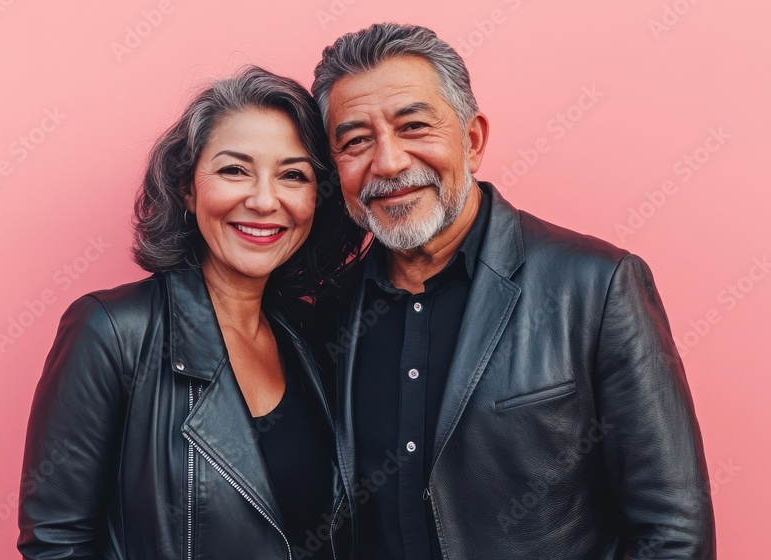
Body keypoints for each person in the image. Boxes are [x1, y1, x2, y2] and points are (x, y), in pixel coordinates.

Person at [307, 23, 716, 559]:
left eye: (414, 126)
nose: (388, 162)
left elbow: (674, 531)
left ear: (473, 140)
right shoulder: (332, 312)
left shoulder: (595, 287)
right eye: (356, 140)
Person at [17, 66, 364, 559]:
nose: (264, 200)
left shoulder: (311, 334)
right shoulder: (111, 331)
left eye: (293, 175)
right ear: (186, 187)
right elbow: (55, 543)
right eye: (234, 170)